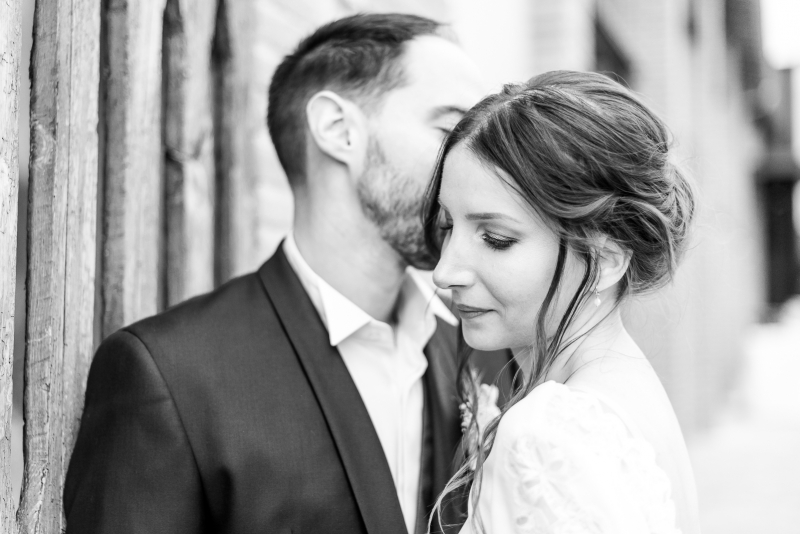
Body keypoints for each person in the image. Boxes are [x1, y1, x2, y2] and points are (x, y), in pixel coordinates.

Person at [64, 13, 512, 534]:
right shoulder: (169, 376)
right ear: (338, 130)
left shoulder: (479, 354)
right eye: (449, 129)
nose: (475, 165)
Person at [424, 71, 702, 533]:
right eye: (448, 226)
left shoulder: (547, 434)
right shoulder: (627, 392)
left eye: (495, 238)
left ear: (606, 259)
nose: (444, 272)